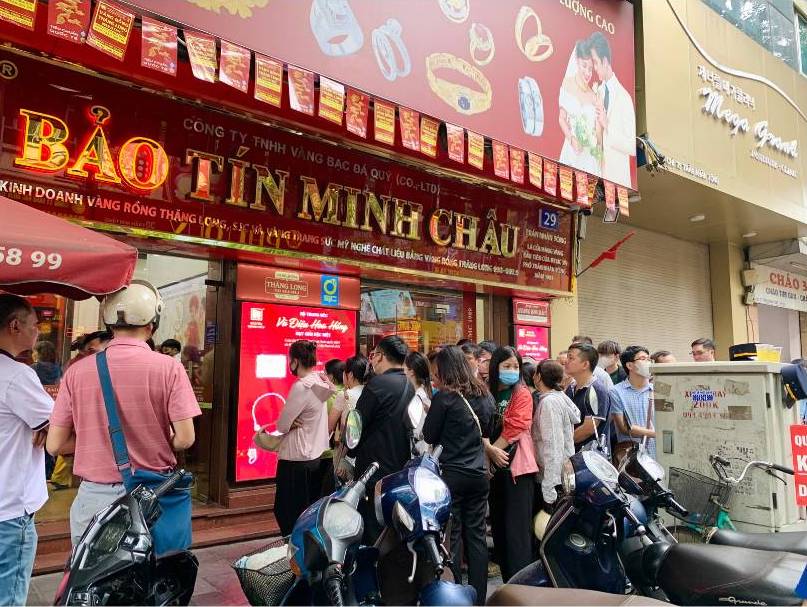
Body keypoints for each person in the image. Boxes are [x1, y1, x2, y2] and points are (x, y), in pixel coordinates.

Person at [47, 281, 202, 547]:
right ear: (152, 322)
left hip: (93, 499)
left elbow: (55, 444)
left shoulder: (77, 372)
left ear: (109, 322)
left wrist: (93, 440)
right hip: (152, 496)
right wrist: (160, 438)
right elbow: (185, 439)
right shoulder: (169, 369)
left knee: (95, 584)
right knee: (153, 582)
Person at [423, 346, 494, 605]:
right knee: (476, 537)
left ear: (443, 370)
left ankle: (452, 596)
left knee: (450, 536)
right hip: (478, 475)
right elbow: (487, 429)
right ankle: (479, 596)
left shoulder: (445, 398)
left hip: (451, 475)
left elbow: (429, 435)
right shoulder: (485, 395)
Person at [0, 295, 54, 606]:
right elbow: (58, 423)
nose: (38, 332)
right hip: (9, 509)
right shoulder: (17, 375)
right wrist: (47, 426)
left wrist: (44, 425)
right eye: (35, 325)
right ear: (15, 325)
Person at [349, 335, 413, 542]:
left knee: (372, 528)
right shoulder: (412, 384)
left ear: (381, 357)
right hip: (403, 468)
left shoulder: (377, 385)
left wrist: (349, 454)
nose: (371, 360)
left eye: (373, 355)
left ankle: (374, 571)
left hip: (374, 470)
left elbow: (356, 426)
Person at [271, 340, 334, 535]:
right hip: (314, 456)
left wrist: (290, 422)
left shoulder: (302, 386)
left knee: (287, 512)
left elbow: (282, 425)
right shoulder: (320, 382)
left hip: (295, 458)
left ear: (296, 361)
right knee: (306, 511)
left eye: (290, 360)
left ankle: (292, 554)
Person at [486, 346, 537, 582]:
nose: (512, 370)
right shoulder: (487, 392)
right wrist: (489, 451)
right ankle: (508, 583)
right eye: (506, 366)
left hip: (517, 470)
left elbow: (516, 426)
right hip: (494, 469)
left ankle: (522, 585)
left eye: (515, 366)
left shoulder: (522, 394)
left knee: (517, 532)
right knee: (499, 529)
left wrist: (493, 450)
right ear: (495, 367)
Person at [532, 359, 580, 511]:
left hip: (553, 478)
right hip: (559, 474)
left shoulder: (549, 403)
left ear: (539, 377)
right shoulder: (558, 397)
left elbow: (553, 445)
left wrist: (549, 489)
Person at [591, 31, 635, 186]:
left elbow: (631, 146)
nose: (594, 68)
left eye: (596, 62)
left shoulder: (624, 98)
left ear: (604, 61)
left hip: (617, 181)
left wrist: (607, 125)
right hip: (596, 176)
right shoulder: (597, 92)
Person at [558, 38, 600, 175]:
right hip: (571, 149)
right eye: (584, 66)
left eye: (590, 69)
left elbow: (597, 129)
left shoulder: (594, 96)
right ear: (577, 61)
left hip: (588, 155)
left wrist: (592, 138)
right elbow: (561, 118)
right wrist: (571, 138)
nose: (588, 73)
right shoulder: (567, 84)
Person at [329, 355, 372, 483]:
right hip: (364, 454)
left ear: (350, 375)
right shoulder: (370, 393)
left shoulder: (344, 395)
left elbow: (329, 426)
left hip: (346, 453)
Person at [610, 346, 656, 465]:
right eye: (643, 359)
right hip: (633, 458)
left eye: (649, 359)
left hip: (659, 454)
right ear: (630, 366)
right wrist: (655, 434)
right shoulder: (616, 391)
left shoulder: (660, 389)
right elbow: (624, 428)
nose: (648, 362)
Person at [564, 343, 611, 452]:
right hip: (572, 452)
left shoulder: (597, 389)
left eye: (571, 358)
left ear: (585, 364)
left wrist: (563, 442)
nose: (566, 361)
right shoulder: (570, 387)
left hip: (590, 458)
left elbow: (588, 428)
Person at [319, 358, 346, 496]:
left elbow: (326, 426)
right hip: (342, 453)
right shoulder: (348, 393)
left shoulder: (327, 397)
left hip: (324, 452)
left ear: (330, 376)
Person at [404, 351, 432, 454]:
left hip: (418, 456)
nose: (403, 372)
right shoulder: (424, 394)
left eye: (405, 368)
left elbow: (419, 434)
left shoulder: (418, 398)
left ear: (411, 371)